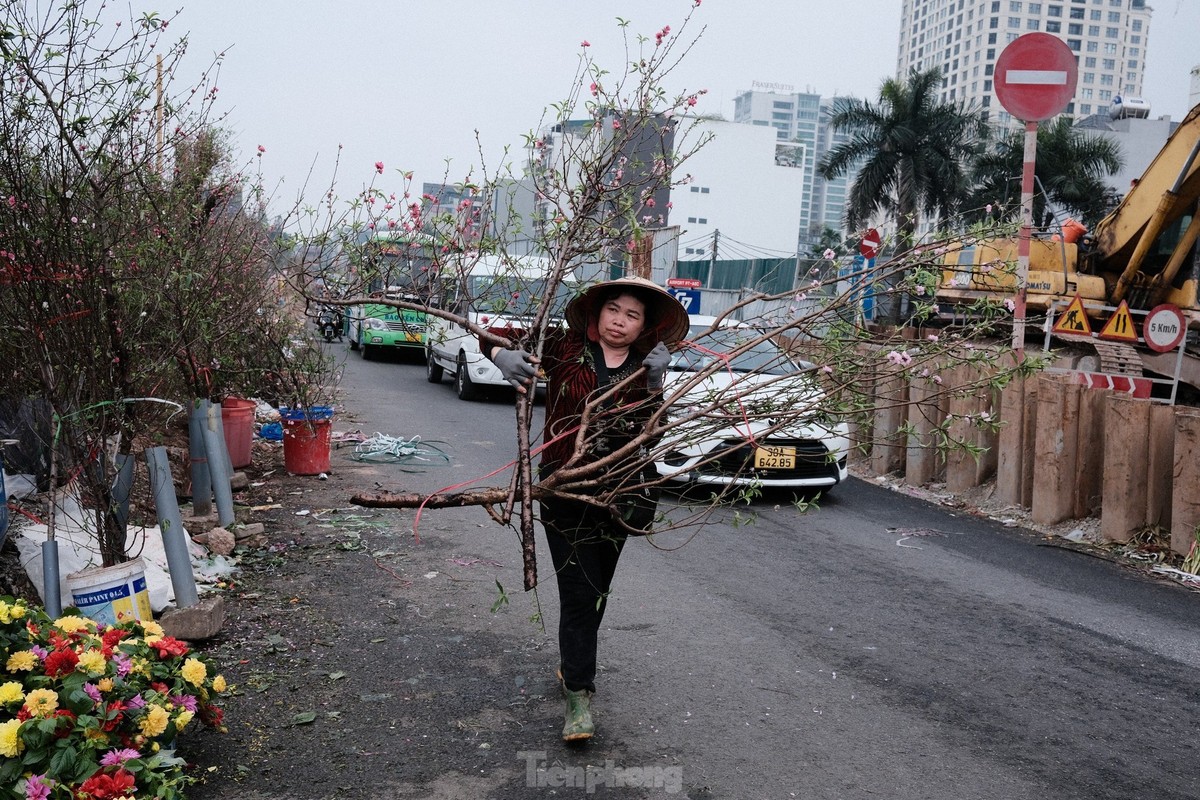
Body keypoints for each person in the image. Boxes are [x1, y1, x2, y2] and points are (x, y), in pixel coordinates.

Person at [486, 276, 689, 742]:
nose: (620, 321)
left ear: (645, 328)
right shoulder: (564, 346)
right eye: (613, 310)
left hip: (618, 497)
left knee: (596, 591)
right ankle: (579, 693)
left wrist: (656, 383)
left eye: (632, 315)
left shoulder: (644, 368)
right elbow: (492, 334)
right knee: (580, 593)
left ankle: (572, 663)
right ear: (597, 312)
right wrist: (501, 356)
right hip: (564, 490)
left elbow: (651, 439)